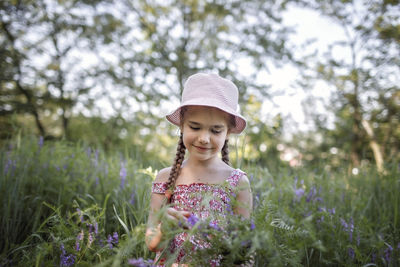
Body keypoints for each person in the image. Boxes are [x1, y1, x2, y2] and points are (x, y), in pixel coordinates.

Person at [145, 73, 253, 266]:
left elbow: (243, 250)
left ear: (228, 133)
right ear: (182, 126)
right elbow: (152, 244)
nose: (204, 138)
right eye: (195, 127)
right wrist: (165, 228)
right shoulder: (165, 177)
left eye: (215, 130)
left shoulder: (238, 183)